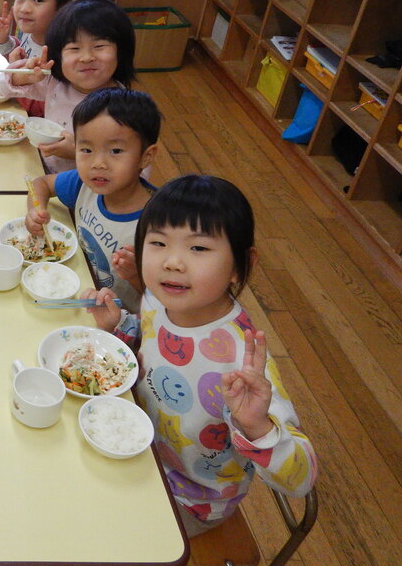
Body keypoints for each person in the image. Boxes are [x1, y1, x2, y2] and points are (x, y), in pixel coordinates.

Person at [83, 174, 318, 537]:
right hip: (133, 445)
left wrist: (257, 427)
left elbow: (301, 479)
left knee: (97, 538)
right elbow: (150, 341)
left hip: (190, 499)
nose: (173, 262)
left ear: (240, 264)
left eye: (199, 248)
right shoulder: (157, 299)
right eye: (158, 242)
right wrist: (118, 325)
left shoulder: (246, 364)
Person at [25, 87, 160, 313]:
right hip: (76, 295)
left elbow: (167, 303)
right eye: (86, 149)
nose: (98, 163)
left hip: (121, 325)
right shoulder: (86, 184)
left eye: (115, 151)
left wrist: (137, 276)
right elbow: (41, 184)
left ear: (146, 156)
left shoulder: (160, 224)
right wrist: (35, 211)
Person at [0, 0, 137, 172]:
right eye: (74, 48)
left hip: (88, 192)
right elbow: (2, 87)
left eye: (99, 46)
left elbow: (133, 171)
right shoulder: (56, 83)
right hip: (42, 170)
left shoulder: (125, 108)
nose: (86, 57)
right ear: (59, 54)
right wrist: (26, 75)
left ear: (121, 51)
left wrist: (79, 153)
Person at [0, 0, 77, 117]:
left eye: (38, 0)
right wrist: (3, 41)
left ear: (63, 6)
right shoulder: (30, 32)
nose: (24, 8)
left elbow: (48, 104)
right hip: (18, 109)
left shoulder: (62, 52)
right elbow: (20, 59)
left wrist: (16, 86)